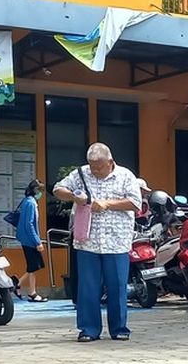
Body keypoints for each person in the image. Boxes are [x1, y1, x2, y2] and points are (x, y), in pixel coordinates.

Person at [53, 143, 142, 342]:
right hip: (88, 242)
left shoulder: (125, 176)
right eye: (92, 166)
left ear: (110, 162)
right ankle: (88, 329)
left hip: (116, 242)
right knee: (88, 287)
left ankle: (119, 328)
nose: (95, 170)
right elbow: (57, 189)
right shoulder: (80, 174)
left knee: (117, 286)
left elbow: (136, 203)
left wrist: (108, 203)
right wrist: (73, 197)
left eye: (99, 166)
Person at [15, 179, 48, 302]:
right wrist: (37, 241)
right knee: (33, 267)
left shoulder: (27, 201)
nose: (41, 193)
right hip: (29, 240)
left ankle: (17, 285)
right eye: (40, 190)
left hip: (26, 238)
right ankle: (32, 293)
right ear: (36, 190)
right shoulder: (31, 203)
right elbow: (29, 224)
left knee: (33, 266)